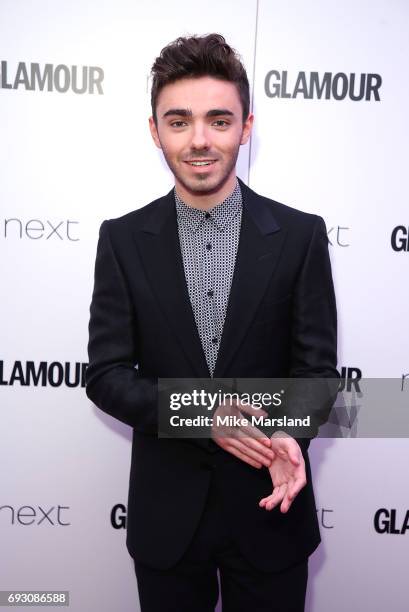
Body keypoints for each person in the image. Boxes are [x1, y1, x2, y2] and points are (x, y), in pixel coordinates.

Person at [86, 33, 338, 612]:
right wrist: (203, 414)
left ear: (246, 127)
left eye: (218, 120)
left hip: (270, 510)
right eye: (179, 121)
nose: (199, 140)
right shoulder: (122, 240)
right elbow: (106, 375)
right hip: (167, 522)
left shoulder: (300, 237)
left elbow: (319, 372)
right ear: (155, 131)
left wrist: (288, 435)